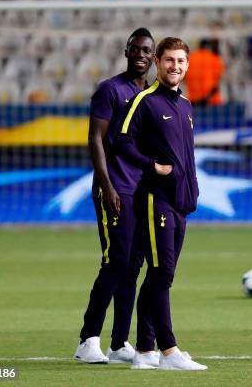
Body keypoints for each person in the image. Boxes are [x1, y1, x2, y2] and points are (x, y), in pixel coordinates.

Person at [113, 37, 206, 371]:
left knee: (159, 277)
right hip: (155, 200)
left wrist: (191, 190)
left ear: (187, 65)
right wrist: (151, 166)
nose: (175, 67)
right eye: (169, 61)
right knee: (161, 273)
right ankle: (168, 351)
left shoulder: (185, 105)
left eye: (181, 61)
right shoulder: (144, 101)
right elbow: (120, 140)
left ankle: (144, 351)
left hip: (181, 202)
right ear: (157, 61)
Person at [74, 28, 154, 364]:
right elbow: (95, 138)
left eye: (146, 50)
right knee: (116, 261)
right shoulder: (110, 90)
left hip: (141, 192)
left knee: (133, 266)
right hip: (114, 189)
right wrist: (106, 185)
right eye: (135, 48)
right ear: (126, 51)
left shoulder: (152, 95)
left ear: (153, 56)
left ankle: (120, 343)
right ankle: (87, 340)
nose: (140, 54)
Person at [183, 38, 225, 107]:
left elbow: (183, 78)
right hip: (212, 102)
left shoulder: (189, 59)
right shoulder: (215, 59)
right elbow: (219, 79)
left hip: (193, 101)